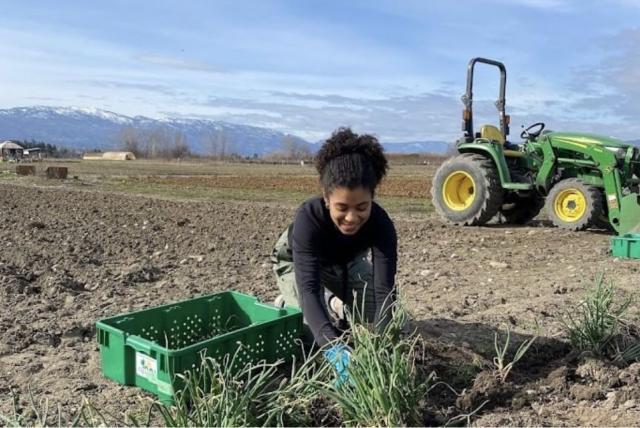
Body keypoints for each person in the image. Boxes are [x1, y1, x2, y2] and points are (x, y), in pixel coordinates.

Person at [270, 127, 398, 382]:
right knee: (311, 332)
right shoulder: (309, 218)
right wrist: (334, 348)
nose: (351, 217)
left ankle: (333, 303)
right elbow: (308, 289)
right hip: (299, 264)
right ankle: (288, 301)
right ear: (327, 198)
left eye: (362, 207)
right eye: (342, 207)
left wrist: (382, 345)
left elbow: (385, 290)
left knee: (377, 323)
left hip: (347, 263)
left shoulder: (382, 225)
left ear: (372, 198)